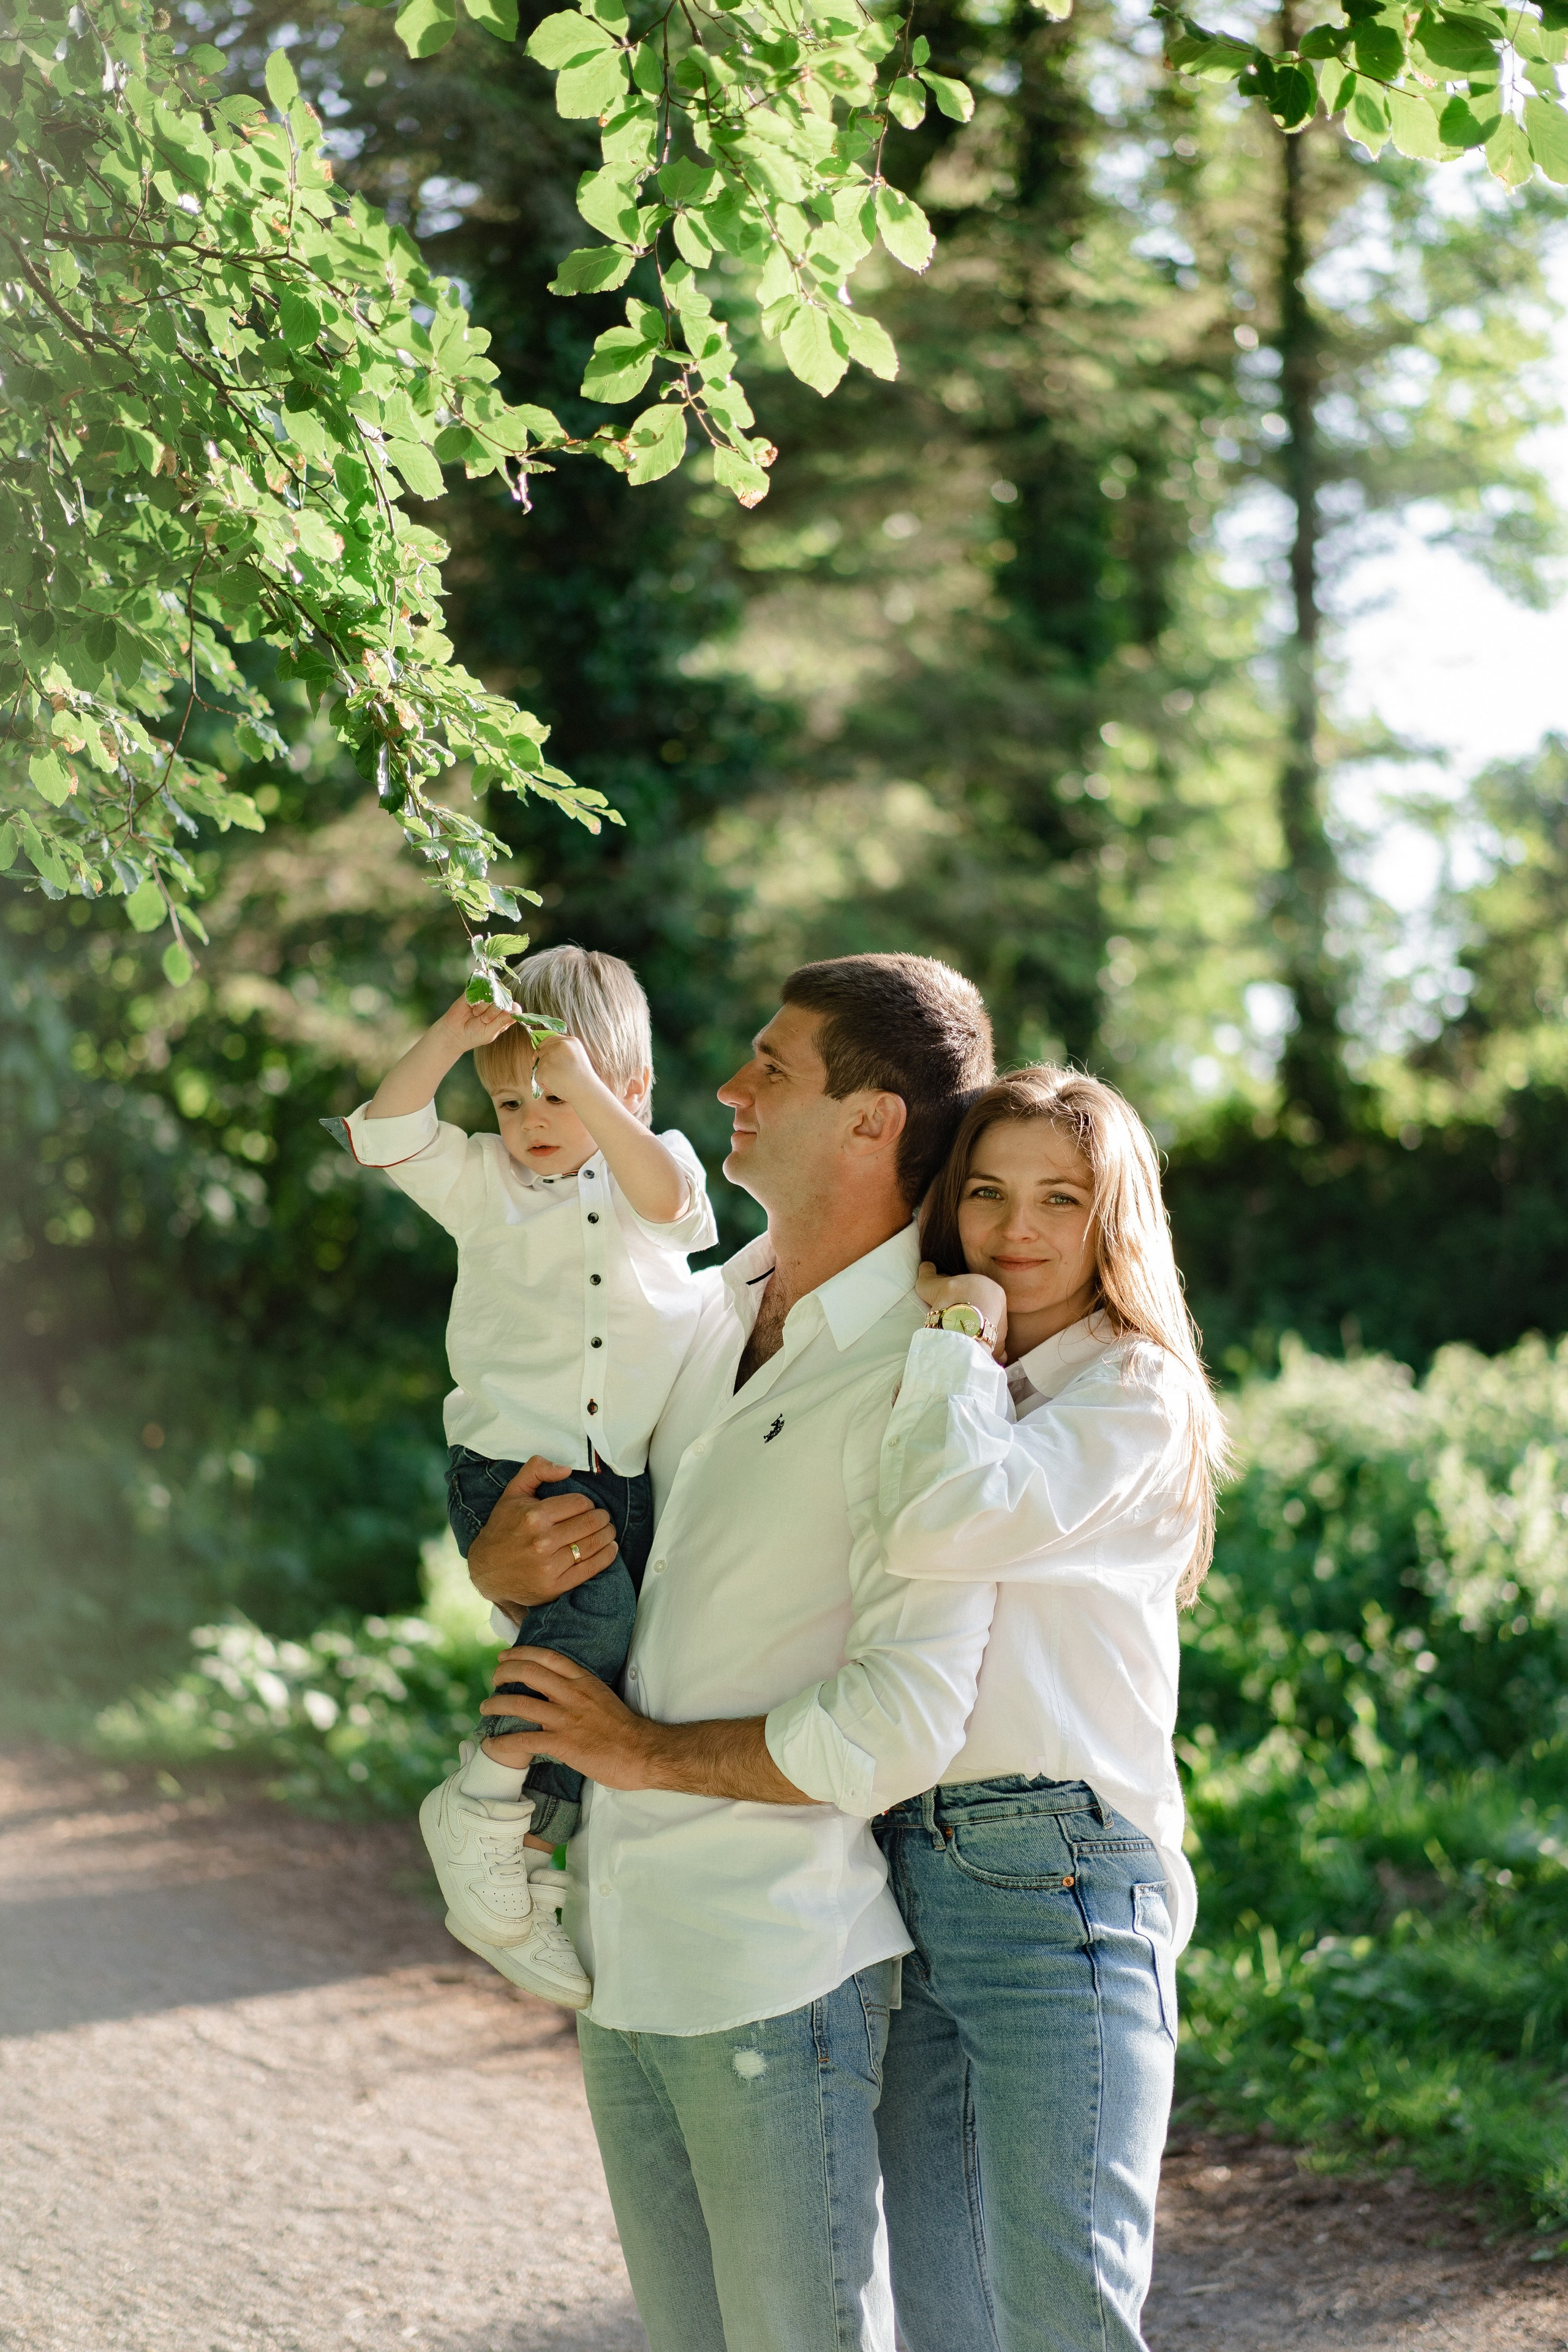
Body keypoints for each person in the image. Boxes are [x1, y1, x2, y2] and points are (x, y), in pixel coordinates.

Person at [462, 954, 998, 2352]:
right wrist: (498, 1562)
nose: (728, 1087)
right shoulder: (698, 1306)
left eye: (772, 1065)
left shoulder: (924, 1371)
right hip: (619, 1942)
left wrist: (634, 1753)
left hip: (777, 1962)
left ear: (874, 1120)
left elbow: (897, 1722)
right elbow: (603, 1557)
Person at [871, 1065, 1230, 2352]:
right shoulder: (949, 1375)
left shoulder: (1129, 1391)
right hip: (906, 1861)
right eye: (986, 1193)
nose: (1015, 1230)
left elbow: (941, 1525)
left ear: (1111, 1219)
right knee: (947, 2319)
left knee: (1060, 2317)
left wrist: (956, 1339)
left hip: (1057, 1872)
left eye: (1059, 1198)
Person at [343, 944, 716, 2008]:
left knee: (601, 1661)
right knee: (588, 1631)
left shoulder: (653, 1172)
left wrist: (589, 1091)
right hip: (515, 1471)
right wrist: (456, 1037)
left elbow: (680, 1205)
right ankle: (479, 1810)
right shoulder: (483, 1186)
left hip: (624, 1483)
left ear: (626, 1091)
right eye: (511, 1102)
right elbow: (383, 1134)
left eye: (557, 1096)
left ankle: (524, 1849)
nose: (535, 1122)